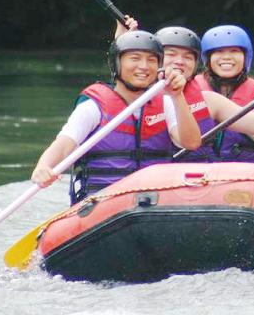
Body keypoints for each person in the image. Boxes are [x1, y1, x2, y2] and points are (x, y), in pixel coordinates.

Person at [31, 30, 202, 204]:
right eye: (135, 58)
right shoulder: (93, 107)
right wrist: (43, 166)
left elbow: (191, 143)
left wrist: (177, 96)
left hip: (156, 202)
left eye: (151, 60)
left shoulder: (166, 102)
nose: (144, 66)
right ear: (117, 64)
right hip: (104, 202)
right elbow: (64, 145)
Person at [118, 17, 254, 162]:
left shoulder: (210, 100)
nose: (179, 61)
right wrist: (122, 39)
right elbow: (121, 70)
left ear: (196, 63)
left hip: (194, 183)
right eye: (171, 54)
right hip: (144, 184)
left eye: (188, 56)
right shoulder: (135, 94)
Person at [193, 24, 254, 164]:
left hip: (245, 172)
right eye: (218, 51)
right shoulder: (192, 90)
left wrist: (242, 128)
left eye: (234, 51)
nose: (226, 57)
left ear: (245, 57)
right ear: (208, 58)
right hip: (201, 170)